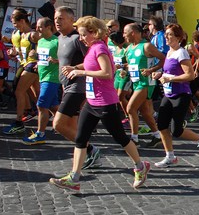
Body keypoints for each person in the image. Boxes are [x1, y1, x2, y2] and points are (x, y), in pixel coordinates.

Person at [49, 16, 151, 192]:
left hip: (105, 103)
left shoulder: (101, 48)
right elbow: (90, 63)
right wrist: (76, 67)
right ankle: (74, 178)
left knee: (121, 138)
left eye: (83, 34)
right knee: (81, 138)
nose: (80, 38)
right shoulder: (92, 48)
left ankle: (140, 166)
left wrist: (82, 73)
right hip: (91, 101)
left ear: (94, 33)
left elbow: (107, 73)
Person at [152, 24, 199, 167]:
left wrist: (170, 78)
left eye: (170, 34)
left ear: (178, 37)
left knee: (176, 130)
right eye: (166, 34)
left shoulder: (181, 53)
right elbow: (170, 72)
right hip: (168, 94)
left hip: (181, 94)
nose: (166, 37)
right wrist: (160, 74)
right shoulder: (169, 53)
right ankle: (170, 156)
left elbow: (190, 75)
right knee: (161, 126)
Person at [53, 6, 101, 168]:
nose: (57, 22)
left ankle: (92, 149)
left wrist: (76, 68)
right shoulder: (60, 38)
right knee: (72, 127)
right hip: (66, 86)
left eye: (61, 18)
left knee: (58, 125)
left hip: (77, 87)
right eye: (55, 19)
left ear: (72, 20)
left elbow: (93, 59)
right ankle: (85, 158)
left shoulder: (76, 39)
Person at [123, 23, 165, 147]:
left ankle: (134, 139)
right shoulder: (129, 48)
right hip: (135, 82)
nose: (123, 35)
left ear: (133, 33)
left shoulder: (146, 46)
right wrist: (124, 71)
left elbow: (163, 59)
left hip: (146, 83)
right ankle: (157, 136)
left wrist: (151, 70)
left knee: (130, 108)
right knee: (145, 112)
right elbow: (131, 64)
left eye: (125, 32)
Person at [22, 17, 60, 145]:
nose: (37, 29)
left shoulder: (57, 41)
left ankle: (40, 134)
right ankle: (67, 123)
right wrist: (38, 62)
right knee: (53, 107)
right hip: (42, 77)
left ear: (48, 27)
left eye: (40, 26)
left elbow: (68, 59)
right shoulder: (41, 41)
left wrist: (57, 61)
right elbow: (44, 57)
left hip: (52, 78)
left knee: (41, 105)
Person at [3, 8, 40, 135]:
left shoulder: (33, 35)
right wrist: (13, 53)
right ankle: (53, 115)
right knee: (37, 96)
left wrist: (38, 53)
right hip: (23, 64)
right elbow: (17, 50)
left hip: (33, 65)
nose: (14, 25)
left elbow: (48, 45)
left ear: (23, 21)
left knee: (18, 90)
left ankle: (19, 122)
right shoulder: (15, 33)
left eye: (15, 23)